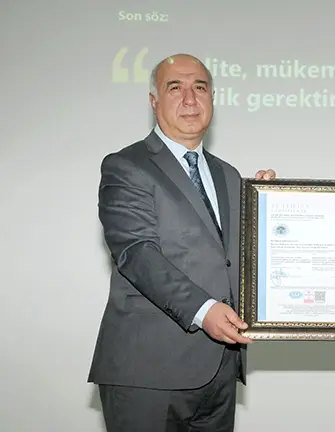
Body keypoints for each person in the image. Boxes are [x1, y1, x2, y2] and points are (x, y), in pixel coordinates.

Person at [87, 53, 276, 432]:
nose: (190, 99)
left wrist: (271, 208)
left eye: (200, 88)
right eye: (176, 88)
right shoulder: (127, 166)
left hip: (220, 369)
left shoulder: (228, 174)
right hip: (148, 372)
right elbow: (137, 253)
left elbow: (233, 258)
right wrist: (204, 311)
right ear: (153, 100)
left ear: (212, 99)